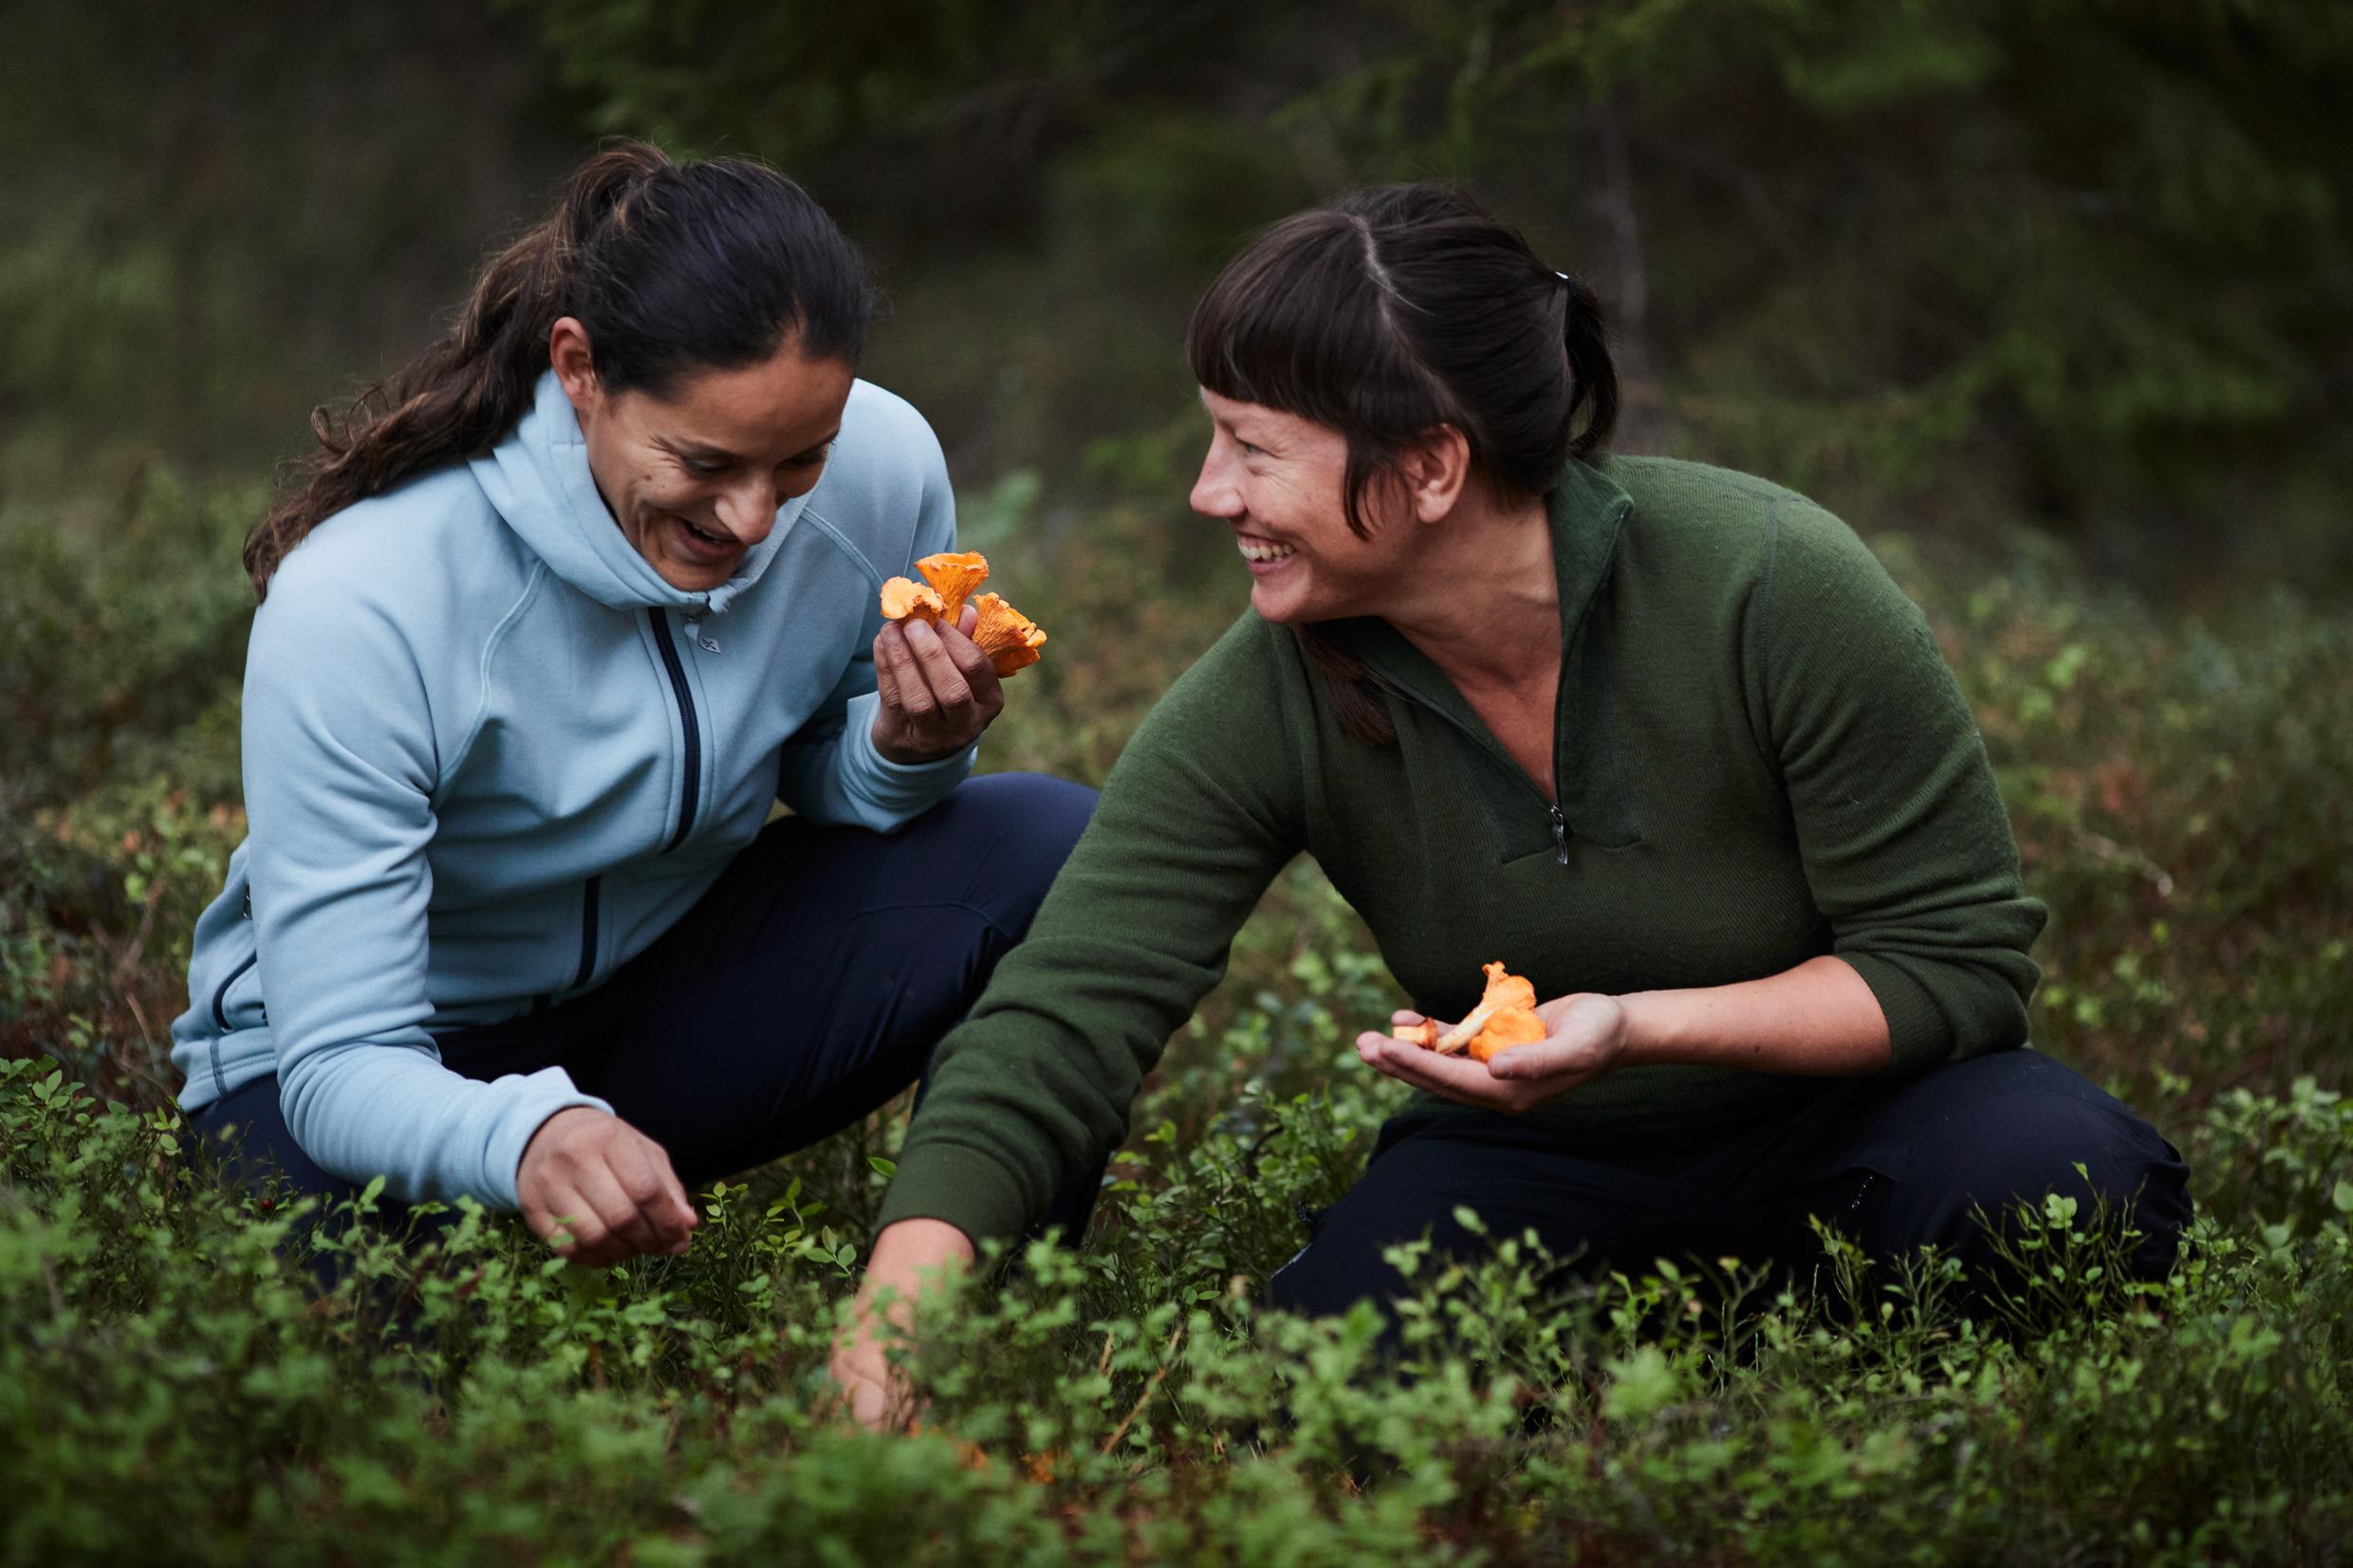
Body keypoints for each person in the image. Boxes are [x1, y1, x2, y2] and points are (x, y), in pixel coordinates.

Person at [829, 182, 2191, 1420]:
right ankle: (1687, 1373)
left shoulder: (1767, 585)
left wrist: (1635, 1029)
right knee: (1304, 1400)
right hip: (1530, 1171)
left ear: (1430, 466)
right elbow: (1066, 1015)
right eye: (1212, 442)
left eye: (1254, 449)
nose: (1208, 492)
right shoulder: (1269, 695)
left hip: (1858, 1136)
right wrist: (894, 1322)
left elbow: (1953, 968)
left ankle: (1779, 1380)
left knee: (2063, 1177)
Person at [169, 140, 1100, 1266]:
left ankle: (1001, 1328)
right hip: (358, 1071)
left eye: (799, 461)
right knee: (373, 1389)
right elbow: (340, 1059)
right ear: (579, 369)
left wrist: (902, 747)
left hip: (657, 1003)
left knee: (1051, 848)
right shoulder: (369, 597)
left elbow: (812, 752)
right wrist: (525, 1129)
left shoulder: (883, 465)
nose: (755, 520)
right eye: (703, 460)